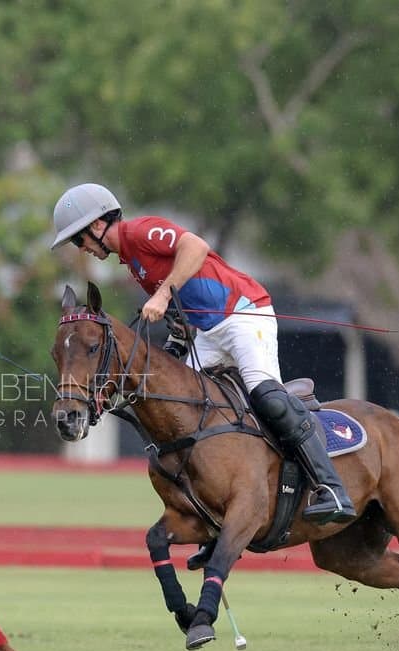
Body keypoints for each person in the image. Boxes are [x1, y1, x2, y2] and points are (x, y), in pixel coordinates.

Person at [50, 183, 355, 524]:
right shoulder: (132, 263)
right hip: (210, 332)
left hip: (243, 312)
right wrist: (177, 340)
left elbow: (195, 247)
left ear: (97, 225)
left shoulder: (139, 231)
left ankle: (331, 487)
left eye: (79, 239)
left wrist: (163, 295)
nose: (82, 248)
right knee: (177, 399)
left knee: (265, 393)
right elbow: (185, 308)